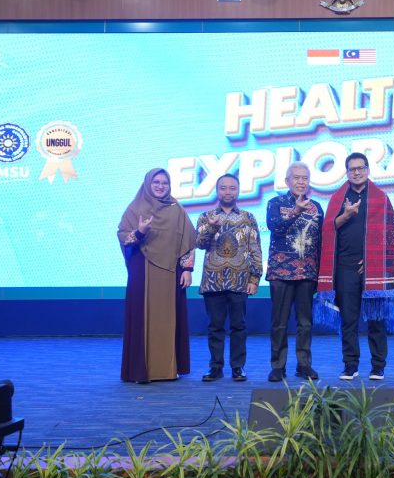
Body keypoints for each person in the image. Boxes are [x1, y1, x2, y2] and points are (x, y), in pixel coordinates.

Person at [314, 152, 394, 381]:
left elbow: (392, 237)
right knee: (348, 320)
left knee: (376, 319)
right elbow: (328, 229)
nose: (357, 172)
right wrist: (346, 215)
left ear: (368, 170)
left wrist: (372, 261)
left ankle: (378, 366)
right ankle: (350, 365)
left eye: (361, 168)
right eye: (352, 169)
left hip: (374, 268)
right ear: (347, 172)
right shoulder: (338, 199)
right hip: (345, 267)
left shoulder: (380, 198)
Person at [117, 168, 197, 383]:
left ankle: (167, 369)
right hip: (143, 271)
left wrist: (187, 269)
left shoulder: (176, 209)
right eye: (156, 182)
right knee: (142, 318)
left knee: (168, 320)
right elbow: (124, 237)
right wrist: (140, 232)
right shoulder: (135, 208)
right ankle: (141, 370)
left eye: (164, 183)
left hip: (171, 273)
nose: (161, 186)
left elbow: (188, 241)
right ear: (148, 184)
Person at [195, 173, 262, 382]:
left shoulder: (248, 218)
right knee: (215, 326)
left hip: (240, 280)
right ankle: (215, 367)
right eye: (223, 188)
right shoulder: (205, 217)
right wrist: (212, 227)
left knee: (238, 326)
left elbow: (255, 249)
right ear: (217, 191)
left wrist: (254, 279)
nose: (228, 192)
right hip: (212, 280)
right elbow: (200, 244)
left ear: (238, 191)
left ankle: (238, 367)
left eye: (232, 188)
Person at [265, 162, 324, 382]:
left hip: (307, 272)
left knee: (305, 323)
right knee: (279, 322)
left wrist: (322, 272)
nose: (301, 182)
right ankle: (278, 366)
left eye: (305, 178)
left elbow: (321, 241)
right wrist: (296, 211)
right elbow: (275, 226)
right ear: (287, 181)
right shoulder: (275, 203)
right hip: (280, 272)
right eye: (296, 178)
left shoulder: (316, 207)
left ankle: (304, 364)